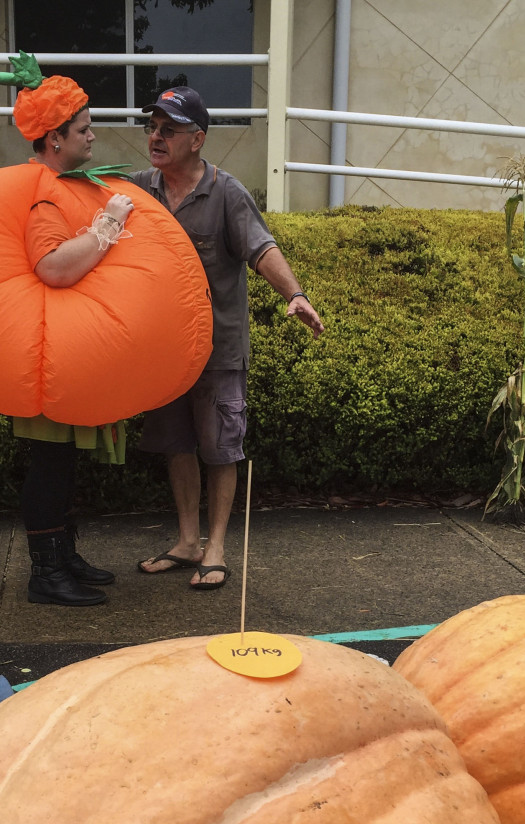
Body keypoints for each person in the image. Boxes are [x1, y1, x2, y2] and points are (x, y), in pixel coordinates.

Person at [131, 86, 324, 591]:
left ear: (196, 139)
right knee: (176, 445)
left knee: (220, 448)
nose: (156, 137)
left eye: (168, 130)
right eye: (152, 127)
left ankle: (216, 546)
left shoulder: (226, 192)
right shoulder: (139, 190)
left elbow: (260, 248)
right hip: (164, 352)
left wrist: (295, 293)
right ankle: (187, 541)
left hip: (218, 350)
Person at [0, 58, 135, 607]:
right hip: (47, 355)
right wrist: (111, 223)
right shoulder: (44, 194)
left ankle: (63, 555)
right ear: (54, 138)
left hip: (65, 352)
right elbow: (53, 266)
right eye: (82, 130)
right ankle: (45, 573)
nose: (93, 136)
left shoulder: (65, 184)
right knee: (50, 462)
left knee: (63, 461)